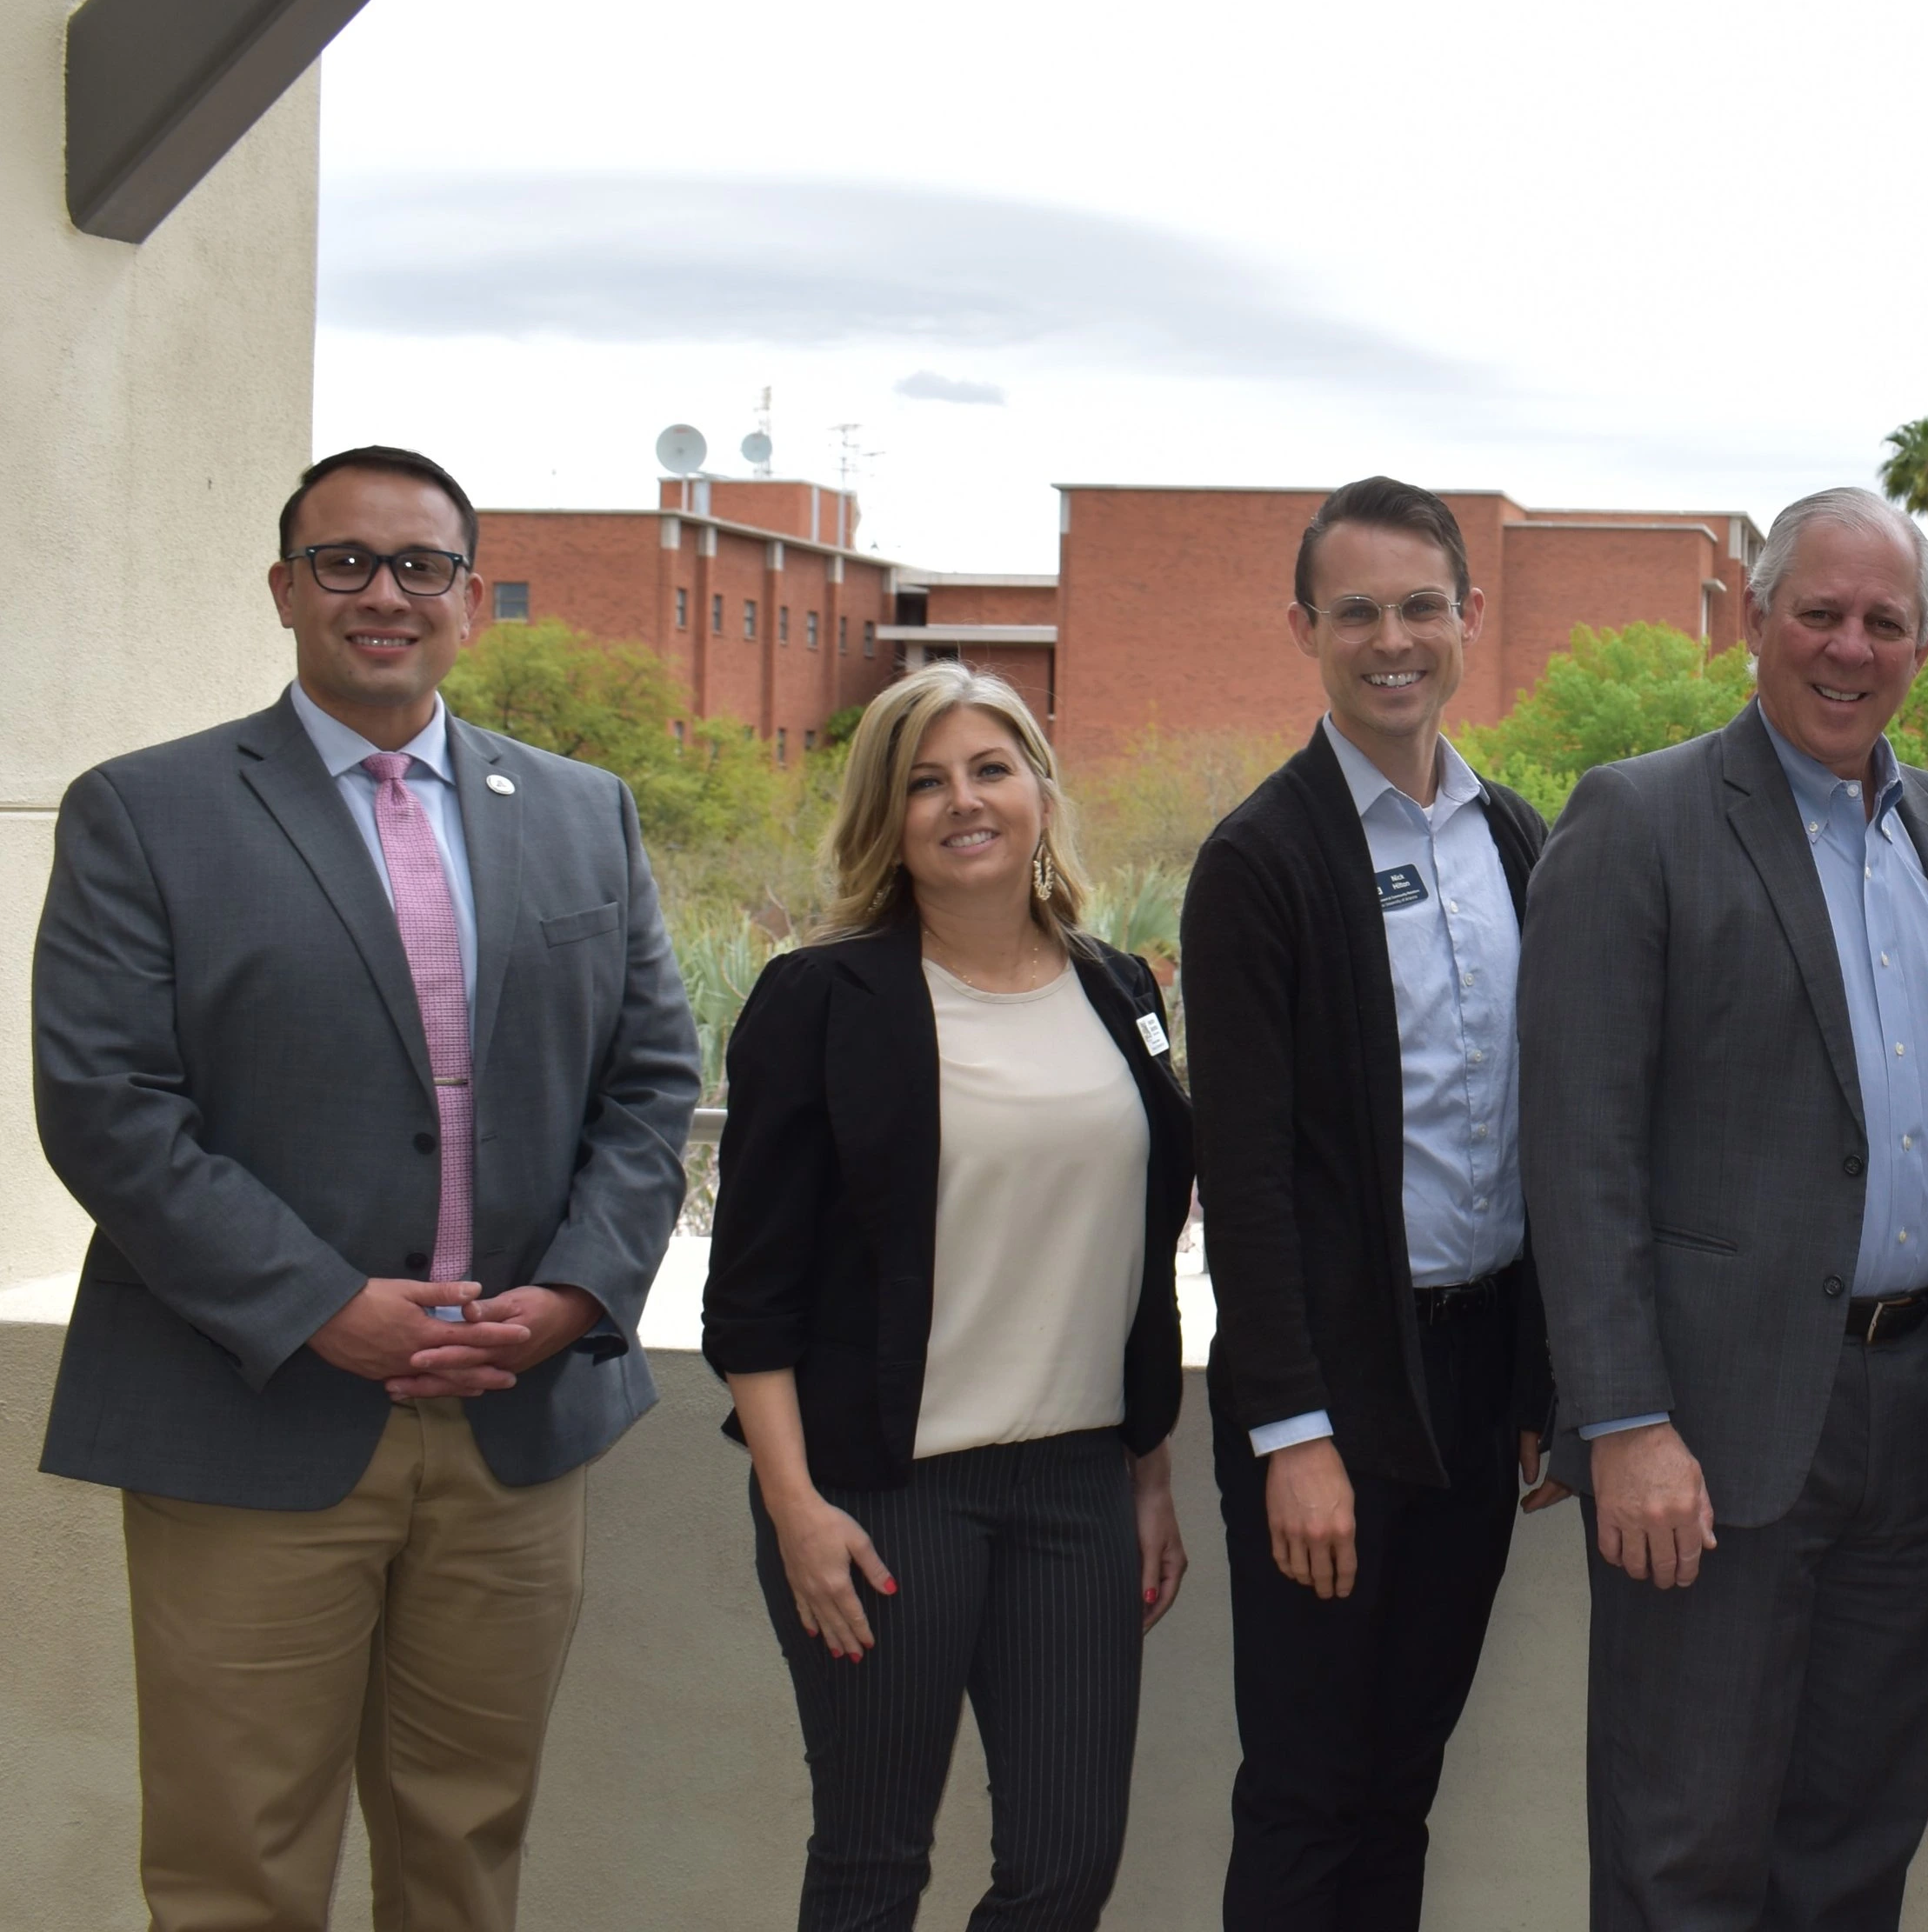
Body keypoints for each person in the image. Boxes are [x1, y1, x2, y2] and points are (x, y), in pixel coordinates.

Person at [31, 444, 700, 1929]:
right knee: (236, 1871)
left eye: (420, 566)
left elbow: (653, 1083)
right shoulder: (145, 811)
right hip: (252, 1414)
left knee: (464, 1860)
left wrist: (575, 1294)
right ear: (285, 589)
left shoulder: (585, 813)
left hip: (513, 1424)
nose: (382, 595)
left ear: (471, 598)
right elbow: (106, 1105)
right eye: (343, 562)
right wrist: (327, 1306)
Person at [1520, 485, 1928, 1929]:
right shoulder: (1640, 817)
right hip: (1711, 1424)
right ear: (1756, 622)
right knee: (1682, 1849)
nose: (1848, 647)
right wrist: (1622, 1421)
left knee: (1857, 1844)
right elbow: (1577, 1149)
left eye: (1885, 621)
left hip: (1924, 1407)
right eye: (1818, 612)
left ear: (1922, 650)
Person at [705, 663, 1196, 1929]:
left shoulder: (1118, 991)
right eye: (924, 782)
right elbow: (750, 1296)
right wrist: (796, 1507)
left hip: (1079, 1494)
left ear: (1039, 788)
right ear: (886, 817)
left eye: (990, 769)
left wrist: (1148, 1477)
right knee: (875, 1863)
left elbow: (1136, 1252)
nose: (962, 802)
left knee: (1066, 1866)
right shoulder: (819, 1002)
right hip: (881, 1497)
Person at [1180, 478, 1565, 1928]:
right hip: (1332, 1395)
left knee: (1403, 1778)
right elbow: (1250, 1176)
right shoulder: (1258, 863)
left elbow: (1538, 1131)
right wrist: (1292, 1437)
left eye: (1419, 607)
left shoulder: (1515, 839)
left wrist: (1534, 1377)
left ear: (1468, 619)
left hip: (1471, 1388)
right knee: (1304, 1787)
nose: (1391, 640)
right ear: (1306, 629)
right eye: (1358, 613)